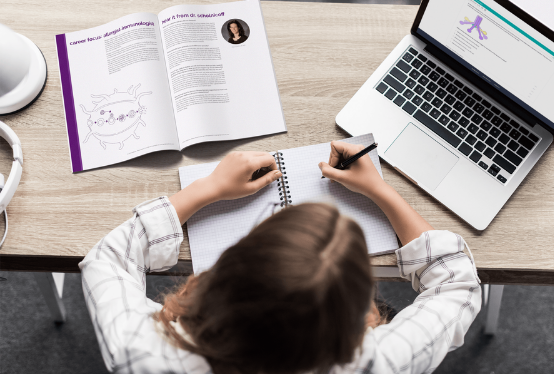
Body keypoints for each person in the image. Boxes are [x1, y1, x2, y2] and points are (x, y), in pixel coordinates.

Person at [79, 141, 481, 374]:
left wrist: (207, 188)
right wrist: (381, 190)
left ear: (228, 273)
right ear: (357, 313)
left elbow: (109, 259)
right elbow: (457, 284)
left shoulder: (141, 352)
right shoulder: (380, 362)